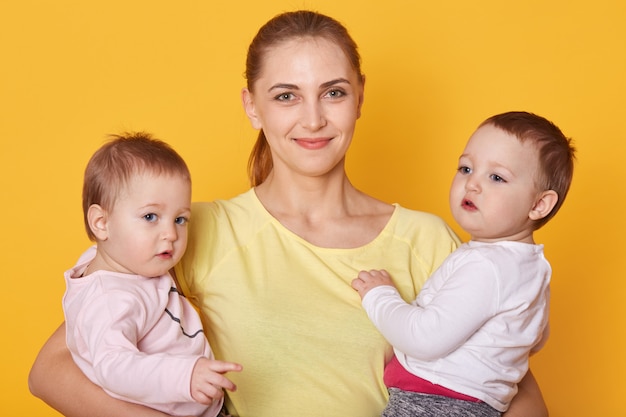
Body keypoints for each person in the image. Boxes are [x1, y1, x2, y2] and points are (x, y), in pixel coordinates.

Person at [29, 10, 549, 417]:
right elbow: (53, 369)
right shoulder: (192, 231)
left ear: (360, 96)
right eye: (286, 96)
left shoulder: (428, 240)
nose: (314, 118)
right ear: (252, 106)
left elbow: (516, 393)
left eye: (334, 93)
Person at [352, 111, 576, 416]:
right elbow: (535, 339)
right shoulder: (533, 268)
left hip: (436, 402)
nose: (472, 184)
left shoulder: (487, 266)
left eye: (496, 177)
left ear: (538, 205)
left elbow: (424, 339)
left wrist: (379, 296)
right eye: (466, 168)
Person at [62, 132, 241, 417]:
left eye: (180, 219)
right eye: (150, 217)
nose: (170, 234)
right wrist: (185, 376)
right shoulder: (110, 298)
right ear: (101, 223)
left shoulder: (118, 262)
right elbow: (113, 366)